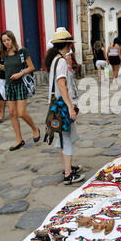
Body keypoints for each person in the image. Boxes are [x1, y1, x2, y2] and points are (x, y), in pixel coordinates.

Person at [44, 28, 85, 185]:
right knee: (66, 138)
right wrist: (70, 107)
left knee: (61, 138)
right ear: (68, 44)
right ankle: (68, 174)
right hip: (62, 106)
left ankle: (67, 167)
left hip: (57, 105)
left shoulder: (55, 60)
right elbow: (62, 85)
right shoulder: (61, 62)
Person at [0, 31, 40, 151]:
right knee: (12, 114)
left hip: (21, 84)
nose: (6, 42)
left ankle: (35, 129)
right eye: (4, 40)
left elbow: (31, 67)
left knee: (21, 113)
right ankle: (19, 139)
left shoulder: (22, 51)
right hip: (9, 85)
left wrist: (20, 74)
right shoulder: (4, 53)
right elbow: (7, 68)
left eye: (8, 40)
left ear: (12, 39)